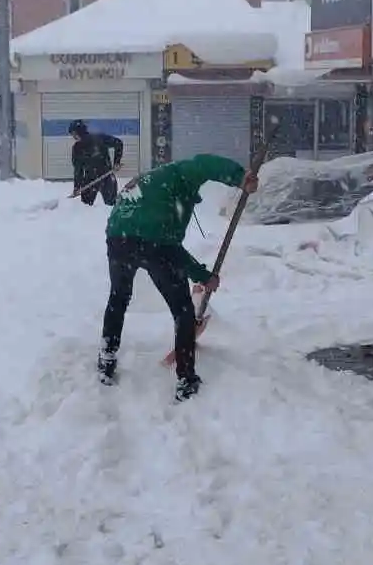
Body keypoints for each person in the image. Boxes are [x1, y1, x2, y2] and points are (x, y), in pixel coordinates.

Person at [99, 154, 258, 402]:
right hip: (152, 239)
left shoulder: (152, 180)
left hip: (118, 237)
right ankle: (186, 379)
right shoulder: (181, 172)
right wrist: (240, 177)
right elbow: (206, 163)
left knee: (118, 297)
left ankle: (106, 361)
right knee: (182, 309)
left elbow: (167, 244)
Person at [68, 120, 124, 206]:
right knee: (85, 208)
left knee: (111, 206)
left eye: (74, 134)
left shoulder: (99, 139)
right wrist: (77, 187)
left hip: (106, 176)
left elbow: (118, 143)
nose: (73, 137)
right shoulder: (77, 148)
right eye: (72, 134)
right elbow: (78, 169)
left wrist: (116, 162)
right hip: (89, 180)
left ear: (80, 131)